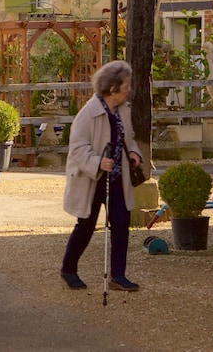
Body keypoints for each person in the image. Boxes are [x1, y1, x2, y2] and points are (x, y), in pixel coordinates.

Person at [60, 60, 145, 292]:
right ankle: (68, 269)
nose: (128, 90)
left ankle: (118, 275)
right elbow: (77, 148)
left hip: (117, 177)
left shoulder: (123, 110)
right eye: (125, 86)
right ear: (112, 89)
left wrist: (134, 153)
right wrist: (98, 162)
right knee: (86, 225)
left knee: (121, 223)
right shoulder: (89, 112)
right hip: (93, 178)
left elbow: (130, 138)